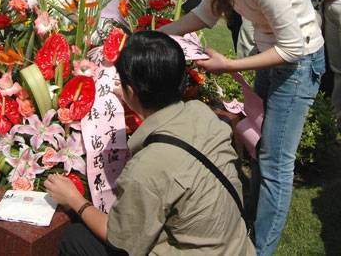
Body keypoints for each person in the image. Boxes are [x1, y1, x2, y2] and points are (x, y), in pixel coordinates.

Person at [153, 0, 324, 256]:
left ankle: (260, 249)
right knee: (260, 148)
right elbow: (204, 15)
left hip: (298, 64)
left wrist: (229, 65)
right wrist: (153, 36)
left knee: (276, 164)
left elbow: (292, 48)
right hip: (271, 58)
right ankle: (252, 225)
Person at [45, 31, 255, 255]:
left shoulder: (147, 167)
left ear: (131, 91)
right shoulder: (202, 114)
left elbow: (120, 240)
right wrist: (133, 97)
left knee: (76, 239)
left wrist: (75, 199)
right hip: (236, 247)